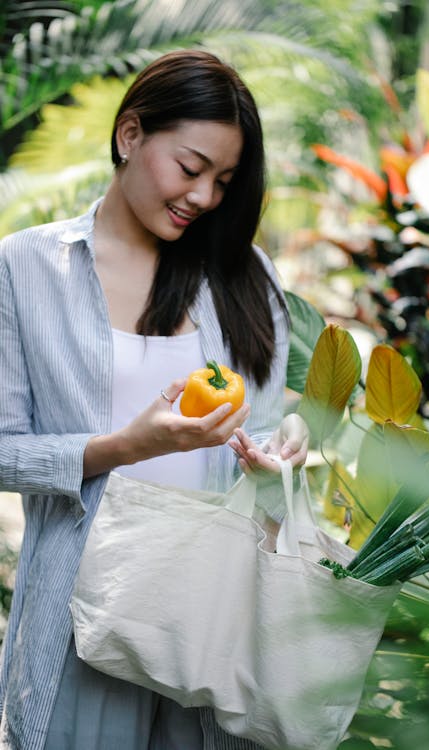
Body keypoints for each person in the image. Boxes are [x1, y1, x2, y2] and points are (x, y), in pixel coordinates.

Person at [0, 49, 309, 749]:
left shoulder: (246, 275)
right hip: (85, 612)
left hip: (212, 614)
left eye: (223, 181)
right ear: (130, 135)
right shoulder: (28, 267)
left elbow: (255, 434)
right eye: (191, 168)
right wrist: (124, 448)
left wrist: (279, 449)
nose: (203, 197)